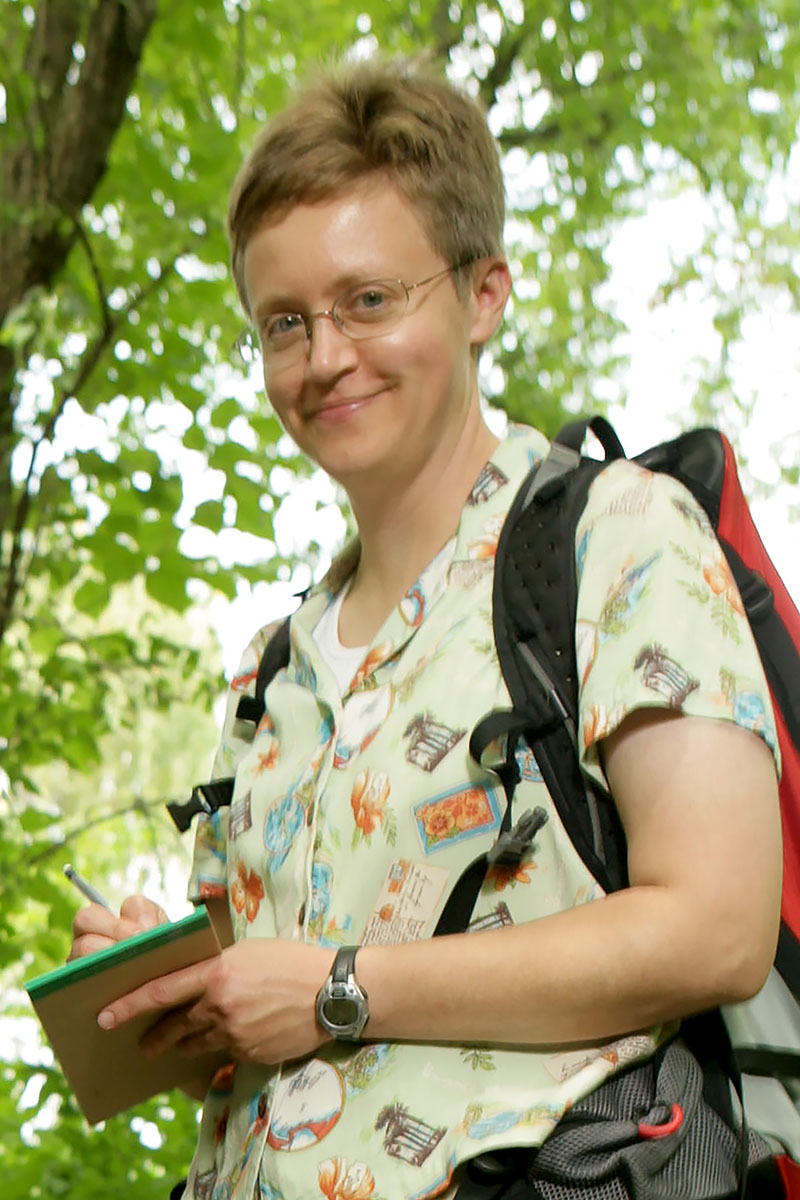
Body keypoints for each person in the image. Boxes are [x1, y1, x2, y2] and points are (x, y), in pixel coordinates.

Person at [69, 56, 783, 1200]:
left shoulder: (616, 540)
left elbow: (715, 928)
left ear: (483, 293)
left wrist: (336, 986)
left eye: (368, 300)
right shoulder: (272, 673)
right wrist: (178, 978)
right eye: (283, 323)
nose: (323, 358)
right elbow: (263, 1003)